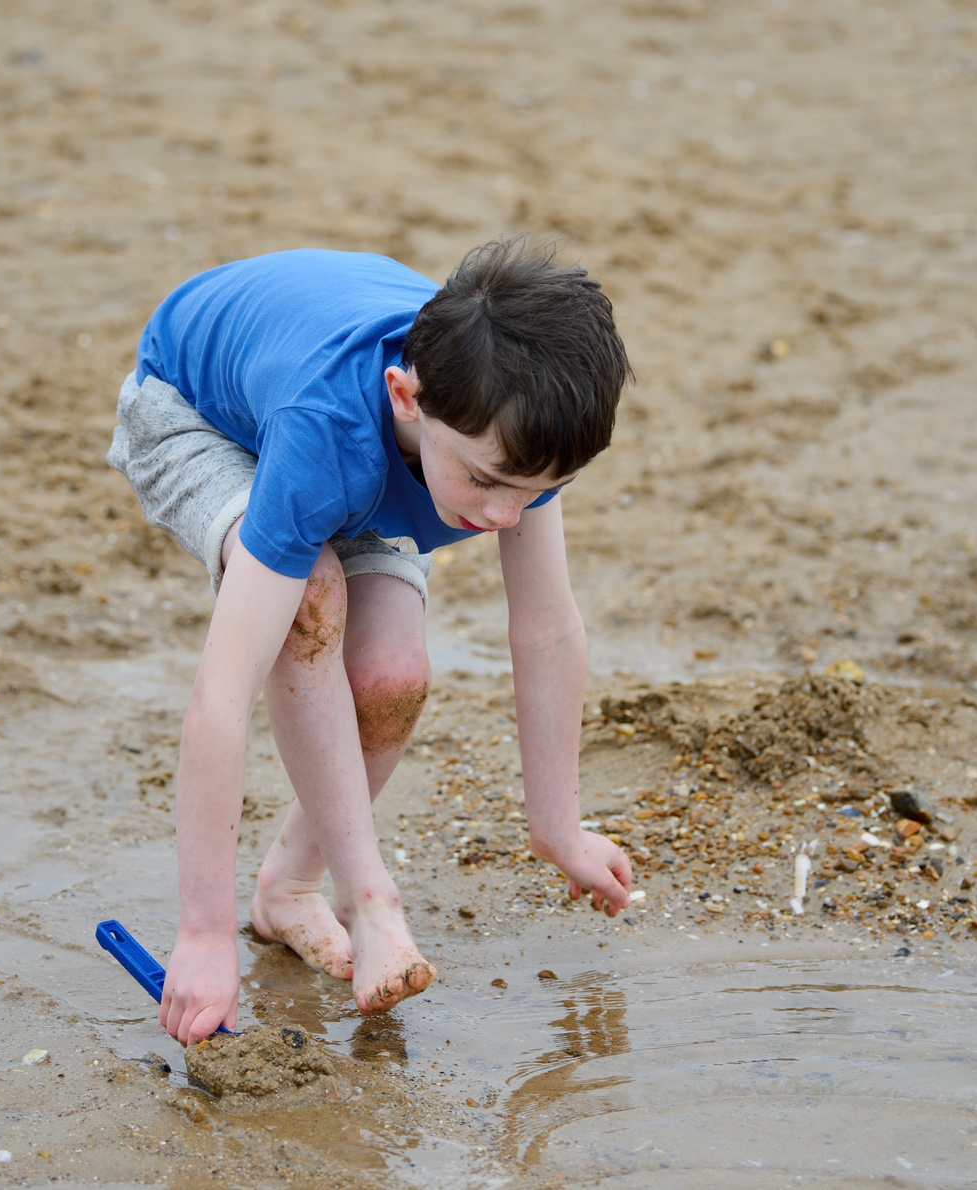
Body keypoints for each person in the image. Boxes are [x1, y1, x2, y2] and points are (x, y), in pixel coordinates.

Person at [106, 238, 636, 1045]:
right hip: (196, 413)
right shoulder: (332, 426)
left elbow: (546, 628)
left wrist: (558, 827)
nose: (504, 517)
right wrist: (202, 936)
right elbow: (222, 695)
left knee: (391, 677)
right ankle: (370, 898)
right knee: (310, 596)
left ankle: (288, 887)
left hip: (369, 460)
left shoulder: (511, 433)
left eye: (537, 491)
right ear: (406, 397)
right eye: (488, 482)